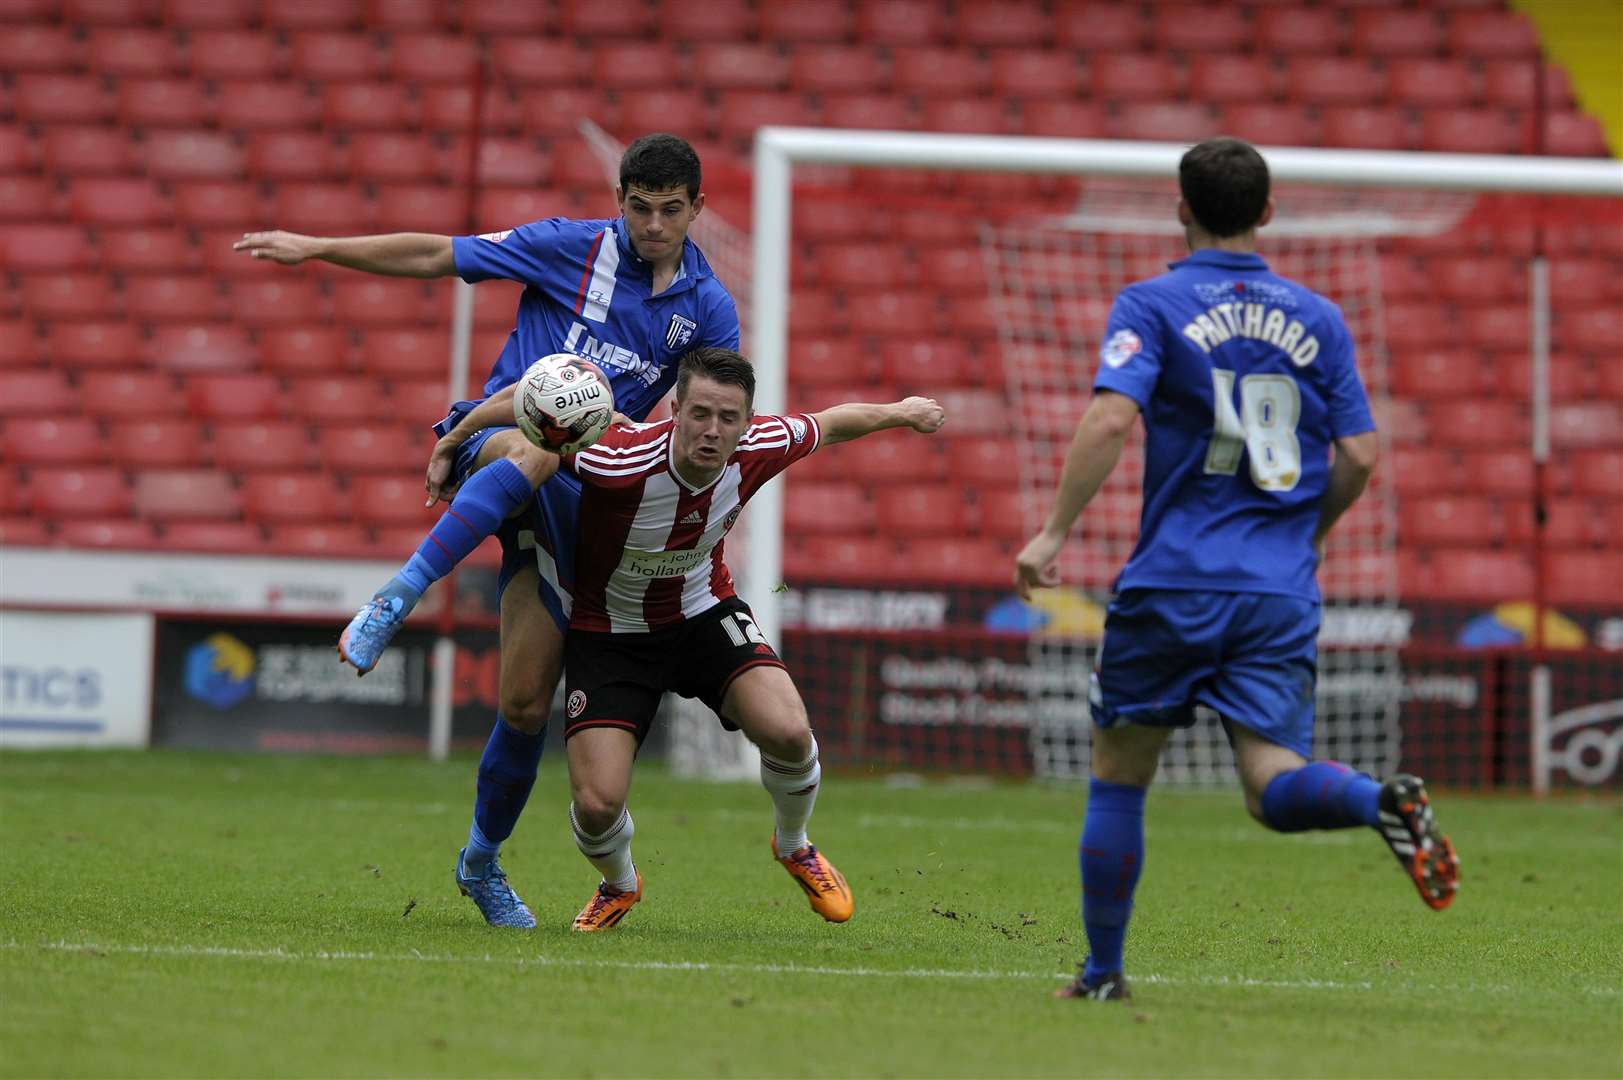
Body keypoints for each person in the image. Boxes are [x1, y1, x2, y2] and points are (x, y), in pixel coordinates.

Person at [233, 134, 740, 929]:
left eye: (668, 211)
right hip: (498, 437)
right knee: (538, 441)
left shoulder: (707, 310)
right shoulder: (566, 247)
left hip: (578, 488)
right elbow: (439, 254)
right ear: (620, 200)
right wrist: (319, 249)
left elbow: (704, 425)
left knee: (526, 703)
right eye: (637, 208)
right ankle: (393, 600)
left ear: (694, 210)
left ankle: (479, 863)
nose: (651, 225)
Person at [1013, 137, 1459, 1003]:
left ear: (1180, 209)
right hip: (1275, 590)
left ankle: (1103, 974)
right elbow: (1361, 454)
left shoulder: (1150, 302)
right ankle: (1376, 802)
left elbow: (1109, 422)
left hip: (1174, 580)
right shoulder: (1320, 318)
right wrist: (1308, 535)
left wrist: (1051, 532)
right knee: (1270, 783)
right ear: (1268, 212)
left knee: (1118, 772)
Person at [452, 347, 944, 930]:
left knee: (789, 731)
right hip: (610, 634)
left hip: (702, 615)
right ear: (676, 409)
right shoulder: (614, 458)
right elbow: (531, 412)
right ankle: (620, 884)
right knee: (595, 804)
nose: (713, 431)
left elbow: (834, 422)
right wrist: (458, 435)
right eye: (701, 414)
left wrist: (904, 411)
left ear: (747, 420)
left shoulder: (763, 445)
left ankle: (794, 845)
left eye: (729, 418)